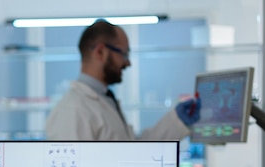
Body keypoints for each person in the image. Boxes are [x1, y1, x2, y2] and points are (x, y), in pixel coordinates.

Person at [46, 19, 201, 141]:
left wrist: (177, 121)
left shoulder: (103, 99)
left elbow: (132, 152)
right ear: (100, 52)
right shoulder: (73, 110)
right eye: (124, 54)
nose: (128, 63)